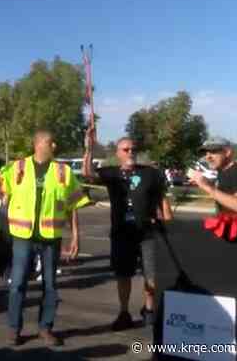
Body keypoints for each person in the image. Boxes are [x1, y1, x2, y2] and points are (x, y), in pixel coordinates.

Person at [0, 130, 88, 346]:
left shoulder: (64, 172)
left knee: (51, 286)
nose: (54, 145)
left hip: (51, 239)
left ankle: (45, 329)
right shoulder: (17, 168)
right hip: (23, 237)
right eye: (50, 142)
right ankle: (14, 329)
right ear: (38, 144)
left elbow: (73, 205)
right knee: (17, 283)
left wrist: (76, 236)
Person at [82, 129, 172, 329]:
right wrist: (88, 149)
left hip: (148, 234)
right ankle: (124, 313)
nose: (131, 152)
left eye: (133, 149)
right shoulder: (111, 173)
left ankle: (149, 309)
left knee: (152, 276)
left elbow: (161, 199)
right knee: (124, 276)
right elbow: (87, 173)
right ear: (118, 153)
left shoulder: (151, 173)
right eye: (126, 149)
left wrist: (169, 221)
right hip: (122, 234)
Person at [189, 137, 237, 237]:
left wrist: (207, 187)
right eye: (206, 153)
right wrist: (207, 183)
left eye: (213, 152)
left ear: (227, 152)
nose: (207, 157)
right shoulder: (222, 172)